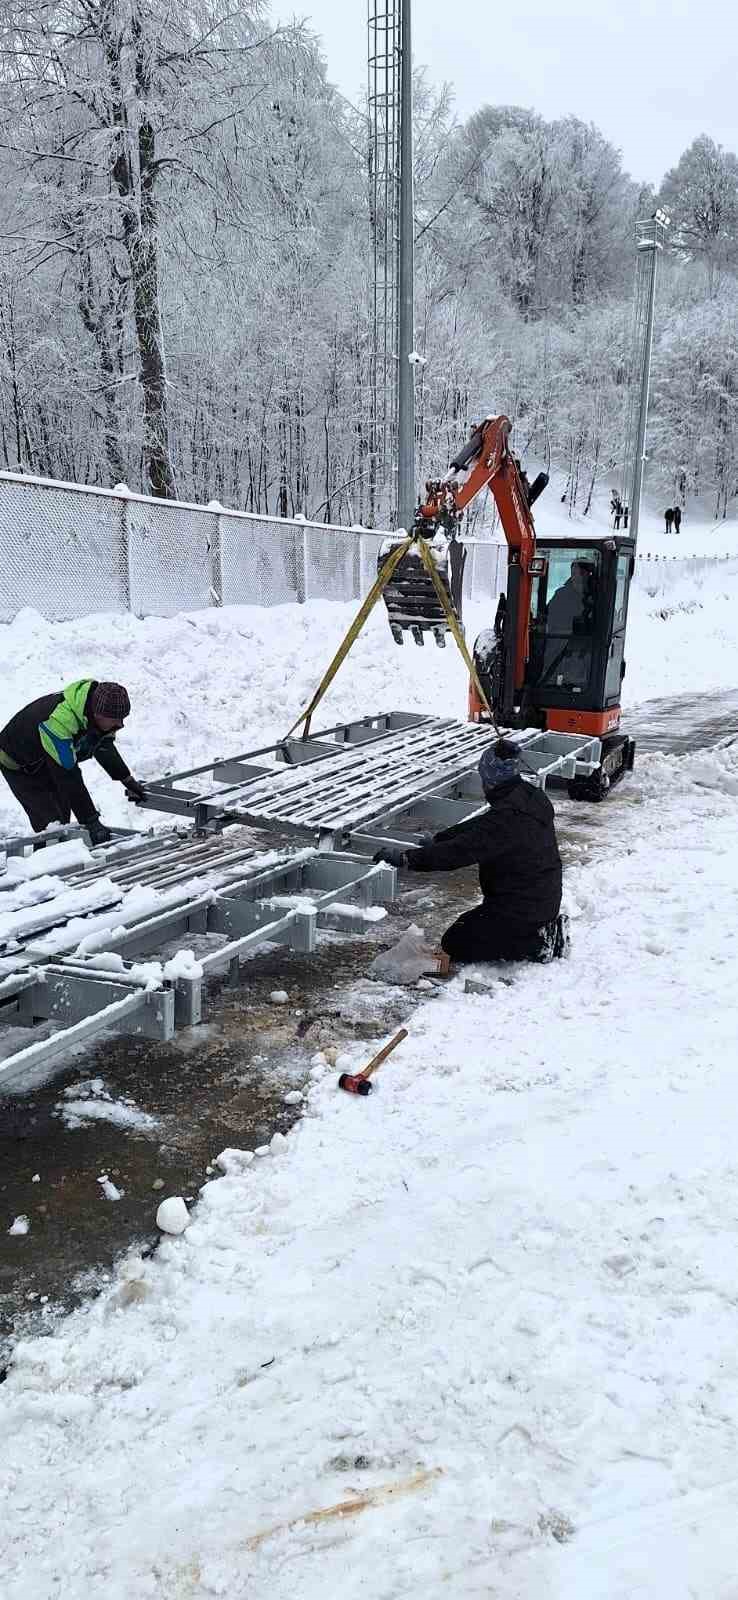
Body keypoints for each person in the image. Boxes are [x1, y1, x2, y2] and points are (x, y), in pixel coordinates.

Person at [373, 741, 565, 965]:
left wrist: (408, 859)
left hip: (521, 909)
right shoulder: (528, 796)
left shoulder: (506, 820)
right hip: (539, 898)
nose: (482, 784)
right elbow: (478, 827)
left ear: (490, 780)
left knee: (456, 943)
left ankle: (537, 944)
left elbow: (460, 851)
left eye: (484, 778)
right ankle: (534, 932)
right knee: (466, 927)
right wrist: (439, 839)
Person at [0, 680, 146, 844]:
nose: (120, 724)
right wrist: (91, 821)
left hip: (46, 761)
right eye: (115, 719)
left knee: (63, 817)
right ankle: (46, 865)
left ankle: (58, 857)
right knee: (51, 825)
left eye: (122, 718)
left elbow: (104, 747)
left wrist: (128, 780)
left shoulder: (95, 711)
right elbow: (69, 775)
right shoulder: (58, 723)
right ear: (98, 715)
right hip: (18, 764)